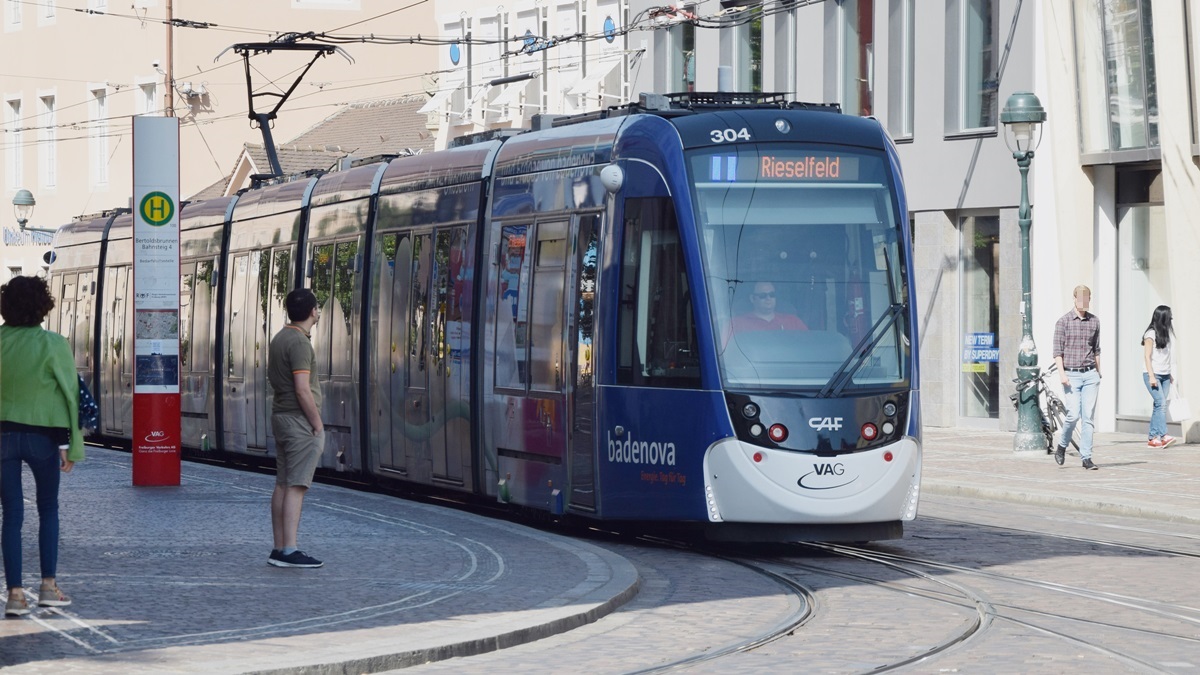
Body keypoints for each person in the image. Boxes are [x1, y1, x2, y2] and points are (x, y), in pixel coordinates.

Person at [1, 275, 82, 616]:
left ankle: (15, 595)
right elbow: (68, 397)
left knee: (12, 515)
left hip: (2, 437)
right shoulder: (54, 343)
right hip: (43, 439)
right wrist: (68, 446)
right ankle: (48, 586)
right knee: (48, 509)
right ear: (43, 306)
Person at [266, 288, 325, 568]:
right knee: (296, 486)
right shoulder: (300, 343)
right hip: (298, 421)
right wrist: (317, 425)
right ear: (313, 311)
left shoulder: (280, 338)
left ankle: (279, 548)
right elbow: (303, 390)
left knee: (282, 483)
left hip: (281, 416)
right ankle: (289, 549)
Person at [1052, 285, 1102, 470]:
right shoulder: (1063, 322)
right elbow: (1057, 352)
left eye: (1087, 298)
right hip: (1071, 374)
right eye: (1080, 298)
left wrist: (1098, 371)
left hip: (1090, 374)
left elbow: (1096, 349)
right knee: (1073, 415)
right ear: (1074, 299)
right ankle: (1062, 445)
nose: (1084, 302)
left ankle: (1086, 457)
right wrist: (1062, 375)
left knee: (1088, 418)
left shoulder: (1094, 322)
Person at [1141, 305, 1177, 449]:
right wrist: (1151, 376)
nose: (1171, 318)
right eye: (1170, 316)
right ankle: (1163, 436)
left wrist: (1170, 374)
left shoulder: (1166, 332)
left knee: (1158, 405)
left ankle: (1152, 438)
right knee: (1161, 404)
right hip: (1153, 374)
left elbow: (1165, 357)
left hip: (1165, 375)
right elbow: (1147, 357)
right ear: (1163, 317)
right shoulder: (1150, 334)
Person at [732, 282, 809, 334]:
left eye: (772, 295)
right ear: (752, 298)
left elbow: (809, 345)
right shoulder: (737, 324)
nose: (768, 298)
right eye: (763, 295)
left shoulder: (793, 321)